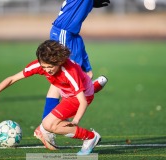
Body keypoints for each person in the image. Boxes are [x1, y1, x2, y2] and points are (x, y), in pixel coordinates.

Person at [0, 40, 102, 155]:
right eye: (44, 67)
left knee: (48, 124)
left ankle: (90, 137)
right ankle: (93, 86)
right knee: (53, 123)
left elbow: (83, 101)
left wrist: (76, 120)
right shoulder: (40, 64)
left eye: (50, 67)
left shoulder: (69, 72)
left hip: (82, 95)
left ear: (59, 61)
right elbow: (13, 78)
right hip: (67, 91)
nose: (47, 70)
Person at [34, 0, 110, 149]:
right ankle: (45, 127)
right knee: (63, 76)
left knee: (84, 74)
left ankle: (90, 89)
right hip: (64, 32)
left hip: (72, 34)